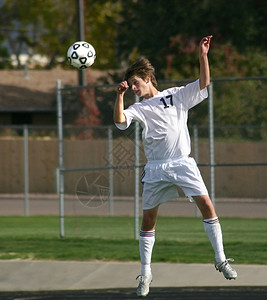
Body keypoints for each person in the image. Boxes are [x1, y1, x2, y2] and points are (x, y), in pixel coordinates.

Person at [113, 36, 237, 297]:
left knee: (207, 205)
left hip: (183, 164)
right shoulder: (140, 107)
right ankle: (145, 273)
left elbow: (204, 84)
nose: (134, 87)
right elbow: (120, 121)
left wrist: (203, 56)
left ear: (148, 78)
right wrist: (120, 96)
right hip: (157, 168)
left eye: (135, 83)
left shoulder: (177, 95)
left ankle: (221, 259)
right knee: (148, 220)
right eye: (131, 85)